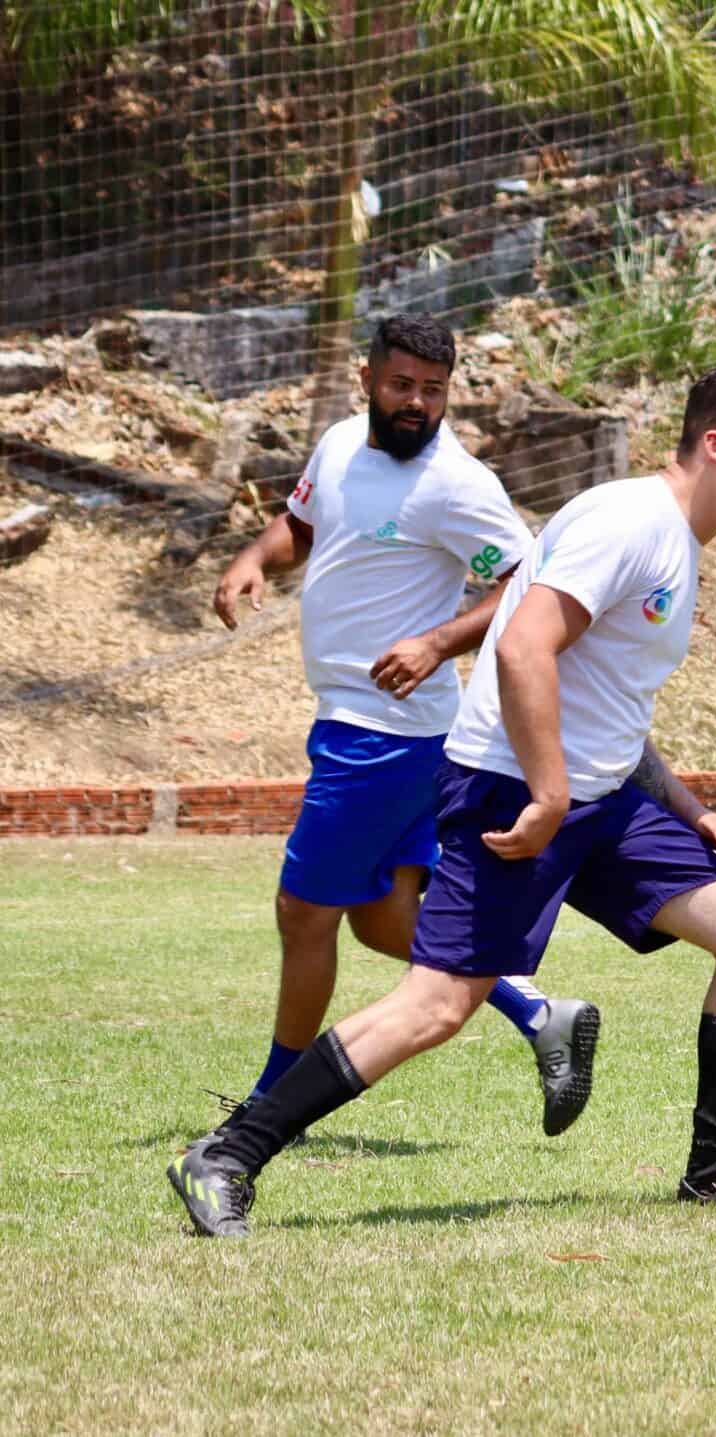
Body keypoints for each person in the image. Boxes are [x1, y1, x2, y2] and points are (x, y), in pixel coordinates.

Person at [169, 367, 716, 1236]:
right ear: (715, 443)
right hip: (513, 791)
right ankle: (227, 1154)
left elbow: (608, 705)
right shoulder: (632, 521)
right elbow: (522, 649)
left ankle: (715, 1172)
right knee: (438, 1004)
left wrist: (688, 807)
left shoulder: (675, 539)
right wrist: (549, 792)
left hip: (597, 798)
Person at [208, 313, 598, 1139]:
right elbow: (301, 526)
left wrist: (438, 641)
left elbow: (531, 581)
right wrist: (252, 558)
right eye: (401, 385)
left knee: (303, 911)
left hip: (384, 733)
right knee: (384, 917)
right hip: (368, 723)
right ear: (368, 380)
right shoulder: (338, 446)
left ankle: (274, 1103)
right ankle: (541, 1013)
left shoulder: (456, 483)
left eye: (433, 389)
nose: (417, 402)